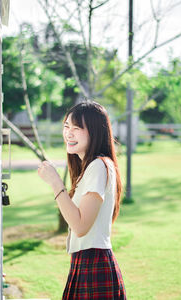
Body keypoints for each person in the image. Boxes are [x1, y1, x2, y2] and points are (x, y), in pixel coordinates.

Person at [38, 100, 127, 300]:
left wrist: (55, 182)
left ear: (95, 132)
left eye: (77, 128)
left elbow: (80, 226)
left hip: (94, 263)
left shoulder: (98, 166)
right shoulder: (89, 169)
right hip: (86, 262)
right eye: (66, 126)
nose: (69, 133)